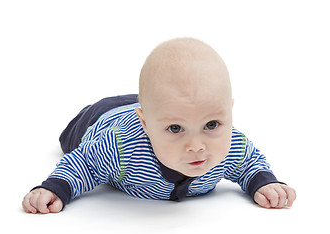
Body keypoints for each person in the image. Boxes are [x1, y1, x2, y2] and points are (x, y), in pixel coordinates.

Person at [22, 38, 296, 214]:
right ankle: (140, 109)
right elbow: (82, 163)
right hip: (103, 116)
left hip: (157, 108)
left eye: (211, 124)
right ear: (145, 124)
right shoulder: (118, 147)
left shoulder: (232, 144)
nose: (197, 145)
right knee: (68, 140)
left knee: (167, 104)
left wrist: (264, 183)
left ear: (230, 113)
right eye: (176, 129)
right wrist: (55, 188)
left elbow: (251, 164)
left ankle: (160, 109)